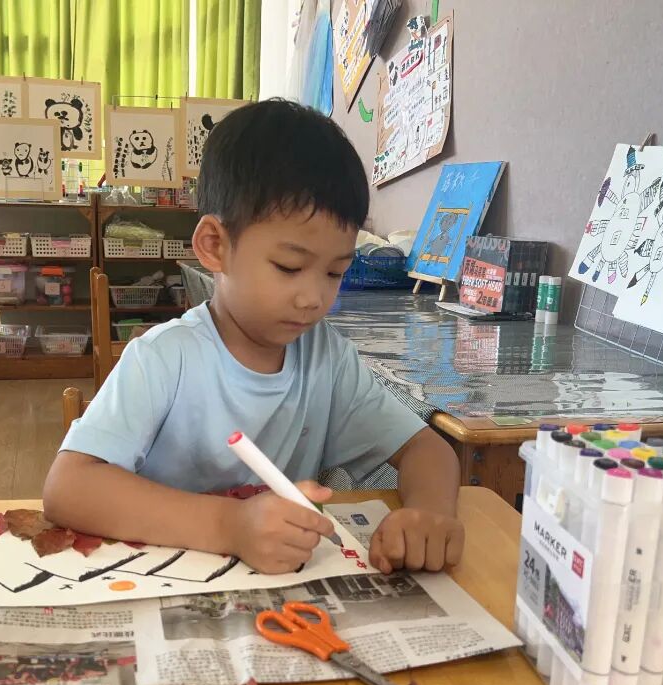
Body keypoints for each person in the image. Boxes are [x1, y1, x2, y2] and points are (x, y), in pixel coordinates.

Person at [44, 99, 463, 575]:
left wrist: (430, 514)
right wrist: (231, 525)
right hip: (165, 579)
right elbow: (68, 488)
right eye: (289, 267)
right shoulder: (163, 359)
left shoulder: (326, 359)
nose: (313, 298)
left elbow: (428, 450)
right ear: (215, 246)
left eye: (335, 272)